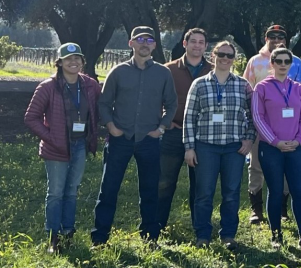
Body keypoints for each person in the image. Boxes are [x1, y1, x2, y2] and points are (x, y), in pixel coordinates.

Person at [92, 26, 178, 248]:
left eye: (149, 40)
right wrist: (111, 126)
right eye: (139, 39)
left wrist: (161, 128)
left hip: (149, 141)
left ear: (154, 46)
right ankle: (100, 238)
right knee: (109, 189)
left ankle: (150, 237)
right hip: (120, 139)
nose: (144, 44)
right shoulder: (118, 72)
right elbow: (104, 103)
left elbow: (171, 104)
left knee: (150, 190)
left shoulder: (163, 73)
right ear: (131, 43)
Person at [24, 43, 101, 253]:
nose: (73, 62)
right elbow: (31, 117)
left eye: (77, 58)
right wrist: (51, 138)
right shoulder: (48, 86)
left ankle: (68, 232)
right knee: (56, 193)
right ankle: (53, 237)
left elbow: (102, 105)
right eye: (68, 59)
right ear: (60, 62)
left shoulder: (89, 85)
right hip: (56, 148)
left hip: (79, 146)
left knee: (72, 192)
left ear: (83, 61)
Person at [183, 41, 255, 250]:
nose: (225, 59)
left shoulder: (243, 85)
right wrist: (189, 147)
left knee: (231, 193)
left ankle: (228, 235)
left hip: (234, 147)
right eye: (221, 54)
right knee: (204, 192)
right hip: (206, 146)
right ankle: (203, 235)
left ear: (234, 59)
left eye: (229, 56)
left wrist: (249, 138)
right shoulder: (199, 84)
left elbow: (253, 116)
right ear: (212, 56)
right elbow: (189, 118)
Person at [251, 47, 301, 252]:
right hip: (271, 148)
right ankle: (276, 235)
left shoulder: (298, 88)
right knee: (276, 190)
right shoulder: (261, 88)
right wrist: (275, 141)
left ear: (291, 64)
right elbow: (257, 117)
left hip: (295, 147)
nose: (282, 64)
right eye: (278, 61)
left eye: (286, 61)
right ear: (272, 63)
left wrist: (299, 140)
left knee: (300, 190)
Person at [243, 25, 300, 224]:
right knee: (256, 166)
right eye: (272, 36)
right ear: (265, 38)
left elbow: (300, 96)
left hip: (287, 128)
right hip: (261, 126)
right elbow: (247, 91)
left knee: (285, 169)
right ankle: (256, 209)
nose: (277, 39)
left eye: (281, 36)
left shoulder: (297, 63)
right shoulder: (255, 61)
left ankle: (282, 209)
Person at [158, 28, 213, 233]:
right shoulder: (168, 70)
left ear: (206, 46)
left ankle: (200, 229)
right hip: (173, 133)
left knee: (199, 185)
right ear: (185, 44)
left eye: (201, 42)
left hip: (202, 137)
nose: (197, 46)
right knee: (164, 182)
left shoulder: (214, 71)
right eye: (193, 42)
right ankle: (156, 227)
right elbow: (155, 99)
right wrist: (164, 121)